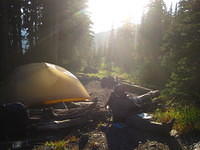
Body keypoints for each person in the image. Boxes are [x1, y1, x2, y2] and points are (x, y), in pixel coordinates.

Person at [106, 84, 174, 136]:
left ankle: (154, 97)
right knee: (145, 124)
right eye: (123, 92)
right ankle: (164, 129)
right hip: (124, 119)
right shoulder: (119, 100)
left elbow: (130, 105)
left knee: (142, 102)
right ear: (120, 92)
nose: (124, 93)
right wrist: (142, 108)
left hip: (126, 115)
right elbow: (131, 108)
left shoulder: (114, 96)